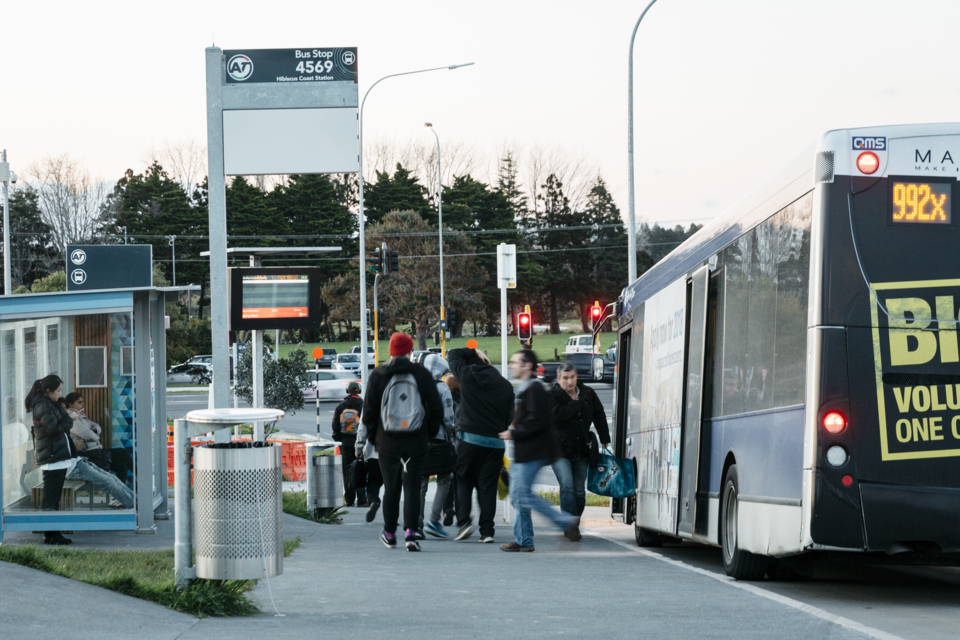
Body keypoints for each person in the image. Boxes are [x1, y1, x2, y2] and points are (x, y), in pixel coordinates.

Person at [28, 375, 135, 545]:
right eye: (58, 391)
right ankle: (50, 535)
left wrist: (66, 417)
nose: (59, 394)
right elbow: (54, 429)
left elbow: (57, 426)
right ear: (48, 391)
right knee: (51, 498)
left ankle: (135, 505)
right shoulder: (44, 407)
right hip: (57, 461)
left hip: (67, 460)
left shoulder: (49, 405)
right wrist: (69, 419)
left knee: (109, 479)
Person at [362, 332, 443, 551]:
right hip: (416, 441)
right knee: (413, 487)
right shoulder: (422, 374)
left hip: (387, 442)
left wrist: (374, 438)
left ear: (390, 351)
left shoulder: (378, 374)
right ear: (409, 351)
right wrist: (428, 434)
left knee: (391, 489)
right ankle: (411, 533)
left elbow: (368, 411)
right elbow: (436, 408)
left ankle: (389, 533)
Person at [499, 350, 575, 552]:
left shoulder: (534, 389)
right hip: (524, 452)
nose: (511, 366)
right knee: (517, 496)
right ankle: (524, 540)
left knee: (522, 495)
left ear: (528, 366)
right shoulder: (526, 388)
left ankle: (563, 520)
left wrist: (512, 434)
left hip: (533, 452)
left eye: (515, 362)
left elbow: (535, 422)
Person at [447, 347, 514, 543]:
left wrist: (473, 350)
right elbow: (511, 415)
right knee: (488, 486)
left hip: (469, 439)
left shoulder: (467, 376)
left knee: (464, 479)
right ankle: (487, 532)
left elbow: (452, 354)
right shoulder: (505, 385)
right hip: (495, 442)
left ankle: (464, 523)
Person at [549, 363, 611, 541]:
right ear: (558, 379)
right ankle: (569, 526)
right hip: (559, 451)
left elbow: (599, 414)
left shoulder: (588, 393)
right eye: (565, 378)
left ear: (577, 377)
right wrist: (577, 405)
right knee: (567, 485)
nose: (570, 382)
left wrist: (605, 438)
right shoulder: (552, 396)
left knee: (579, 491)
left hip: (582, 449)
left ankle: (574, 523)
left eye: (572, 377)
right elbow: (556, 416)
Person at [418, 354, 457, 539]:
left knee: (420, 483)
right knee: (444, 479)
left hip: (418, 440)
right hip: (439, 439)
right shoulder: (442, 388)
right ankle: (434, 520)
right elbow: (448, 418)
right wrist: (452, 433)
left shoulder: (416, 386)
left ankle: (415, 522)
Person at [62, 393, 134, 488]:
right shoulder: (71, 417)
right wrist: (96, 436)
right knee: (122, 453)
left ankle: (120, 494)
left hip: (96, 450)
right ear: (70, 405)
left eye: (83, 402)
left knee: (122, 464)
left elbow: (96, 426)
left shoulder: (81, 416)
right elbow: (85, 433)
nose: (83, 404)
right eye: (79, 402)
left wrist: (94, 431)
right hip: (88, 453)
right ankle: (138, 475)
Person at [333, 381, 366, 507]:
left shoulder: (341, 407)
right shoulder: (364, 406)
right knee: (361, 470)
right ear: (359, 391)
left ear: (347, 391)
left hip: (345, 444)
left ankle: (349, 499)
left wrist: (339, 440)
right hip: (361, 444)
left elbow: (335, 426)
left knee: (347, 471)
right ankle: (362, 499)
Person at [441, 372, 461, 526]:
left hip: (447, 444)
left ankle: (448, 508)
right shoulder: (465, 402)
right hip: (462, 446)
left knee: (446, 479)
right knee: (460, 481)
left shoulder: (445, 400)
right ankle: (461, 513)